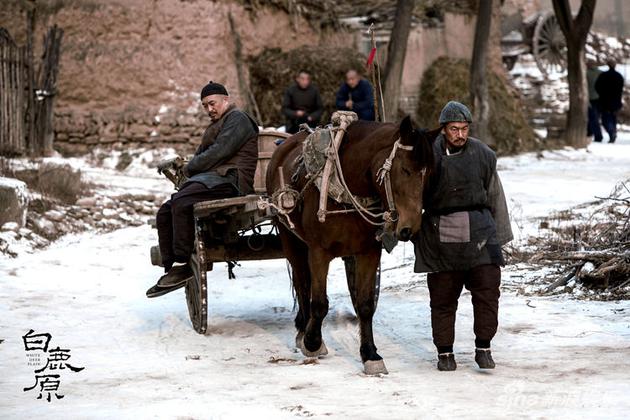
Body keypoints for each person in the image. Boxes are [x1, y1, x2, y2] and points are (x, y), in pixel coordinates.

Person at [413, 101, 513, 371]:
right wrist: (401, 230)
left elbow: (496, 195)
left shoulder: (483, 154)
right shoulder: (427, 155)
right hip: (441, 232)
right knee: (443, 299)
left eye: (465, 128)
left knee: (488, 292)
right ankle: (445, 353)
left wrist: (501, 237)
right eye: (454, 129)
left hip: (481, 231)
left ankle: (484, 347)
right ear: (443, 129)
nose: (460, 134)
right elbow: (410, 196)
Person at [146, 82, 259, 298]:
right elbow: (202, 154)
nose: (209, 109)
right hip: (212, 180)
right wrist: (192, 166)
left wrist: (190, 167)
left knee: (181, 202)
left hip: (231, 180)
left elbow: (219, 152)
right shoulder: (216, 125)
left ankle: (183, 263)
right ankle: (172, 269)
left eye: (212, 103)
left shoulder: (238, 119)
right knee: (165, 211)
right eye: (205, 106)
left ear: (226, 100)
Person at [282, 70, 324, 134]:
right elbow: (285, 109)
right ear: (297, 79)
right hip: (294, 123)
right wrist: (295, 113)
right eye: (303, 79)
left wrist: (312, 116)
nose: (305, 82)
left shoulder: (314, 91)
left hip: (310, 121)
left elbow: (320, 108)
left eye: (307, 79)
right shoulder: (291, 90)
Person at [595, 60, 625, 143]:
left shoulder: (603, 76)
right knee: (613, 118)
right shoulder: (619, 76)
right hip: (616, 102)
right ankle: (613, 132)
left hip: (604, 101)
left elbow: (597, 87)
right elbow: (621, 89)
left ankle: (611, 132)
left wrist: (602, 94)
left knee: (605, 119)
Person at [586, 62, 603, 142]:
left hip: (591, 98)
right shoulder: (601, 73)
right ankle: (589, 132)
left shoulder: (586, 74)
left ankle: (597, 135)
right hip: (600, 98)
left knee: (592, 117)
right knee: (594, 117)